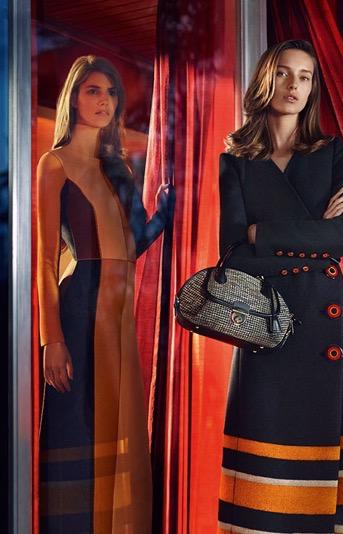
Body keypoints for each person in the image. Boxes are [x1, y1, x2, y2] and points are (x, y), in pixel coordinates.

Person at [217, 39, 343, 533]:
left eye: (306, 76)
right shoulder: (236, 159)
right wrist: (315, 231)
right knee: (268, 450)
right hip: (265, 324)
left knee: (334, 459)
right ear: (265, 79)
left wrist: (264, 232)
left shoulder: (331, 151)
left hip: (322, 319)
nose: (294, 85)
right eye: (284, 73)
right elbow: (233, 253)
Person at [35, 55, 173, 532]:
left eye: (111, 92)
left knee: (116, 423)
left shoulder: (119, 170)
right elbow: (46, 260)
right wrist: (51, 339)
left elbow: (132, 247)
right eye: (92, 90)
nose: (104, 101)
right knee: (78, 424)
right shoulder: (53, 163)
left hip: (117, 309)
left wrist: (165, 212)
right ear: (73, 97)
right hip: (79, 305)